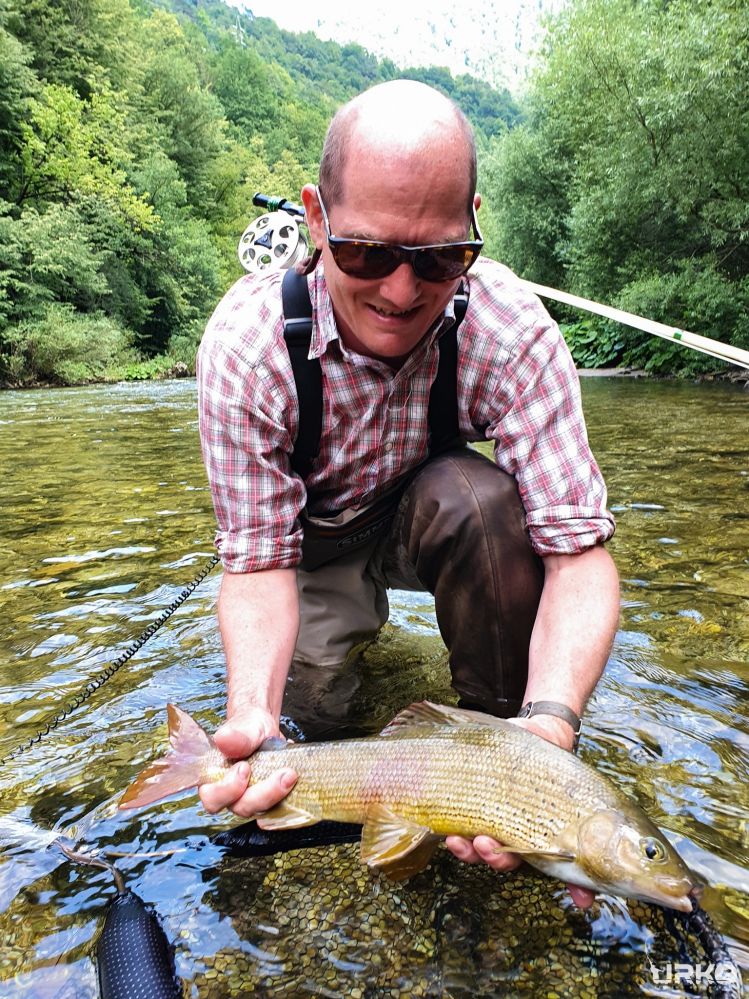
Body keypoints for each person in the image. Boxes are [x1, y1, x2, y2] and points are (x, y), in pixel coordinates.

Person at [196, 80, 619, 907]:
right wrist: (252, 711)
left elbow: (578, 555)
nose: (399, 289)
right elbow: (255, 564)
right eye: (365, 253)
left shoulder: (510, 330)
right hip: (310, 544)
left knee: (480, 499)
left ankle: (496, 740)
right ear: (317, 222)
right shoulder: (248, 349)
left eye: (437, 258)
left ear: (469, 231)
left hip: (431, 515)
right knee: (314, 718)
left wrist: (548, 731)